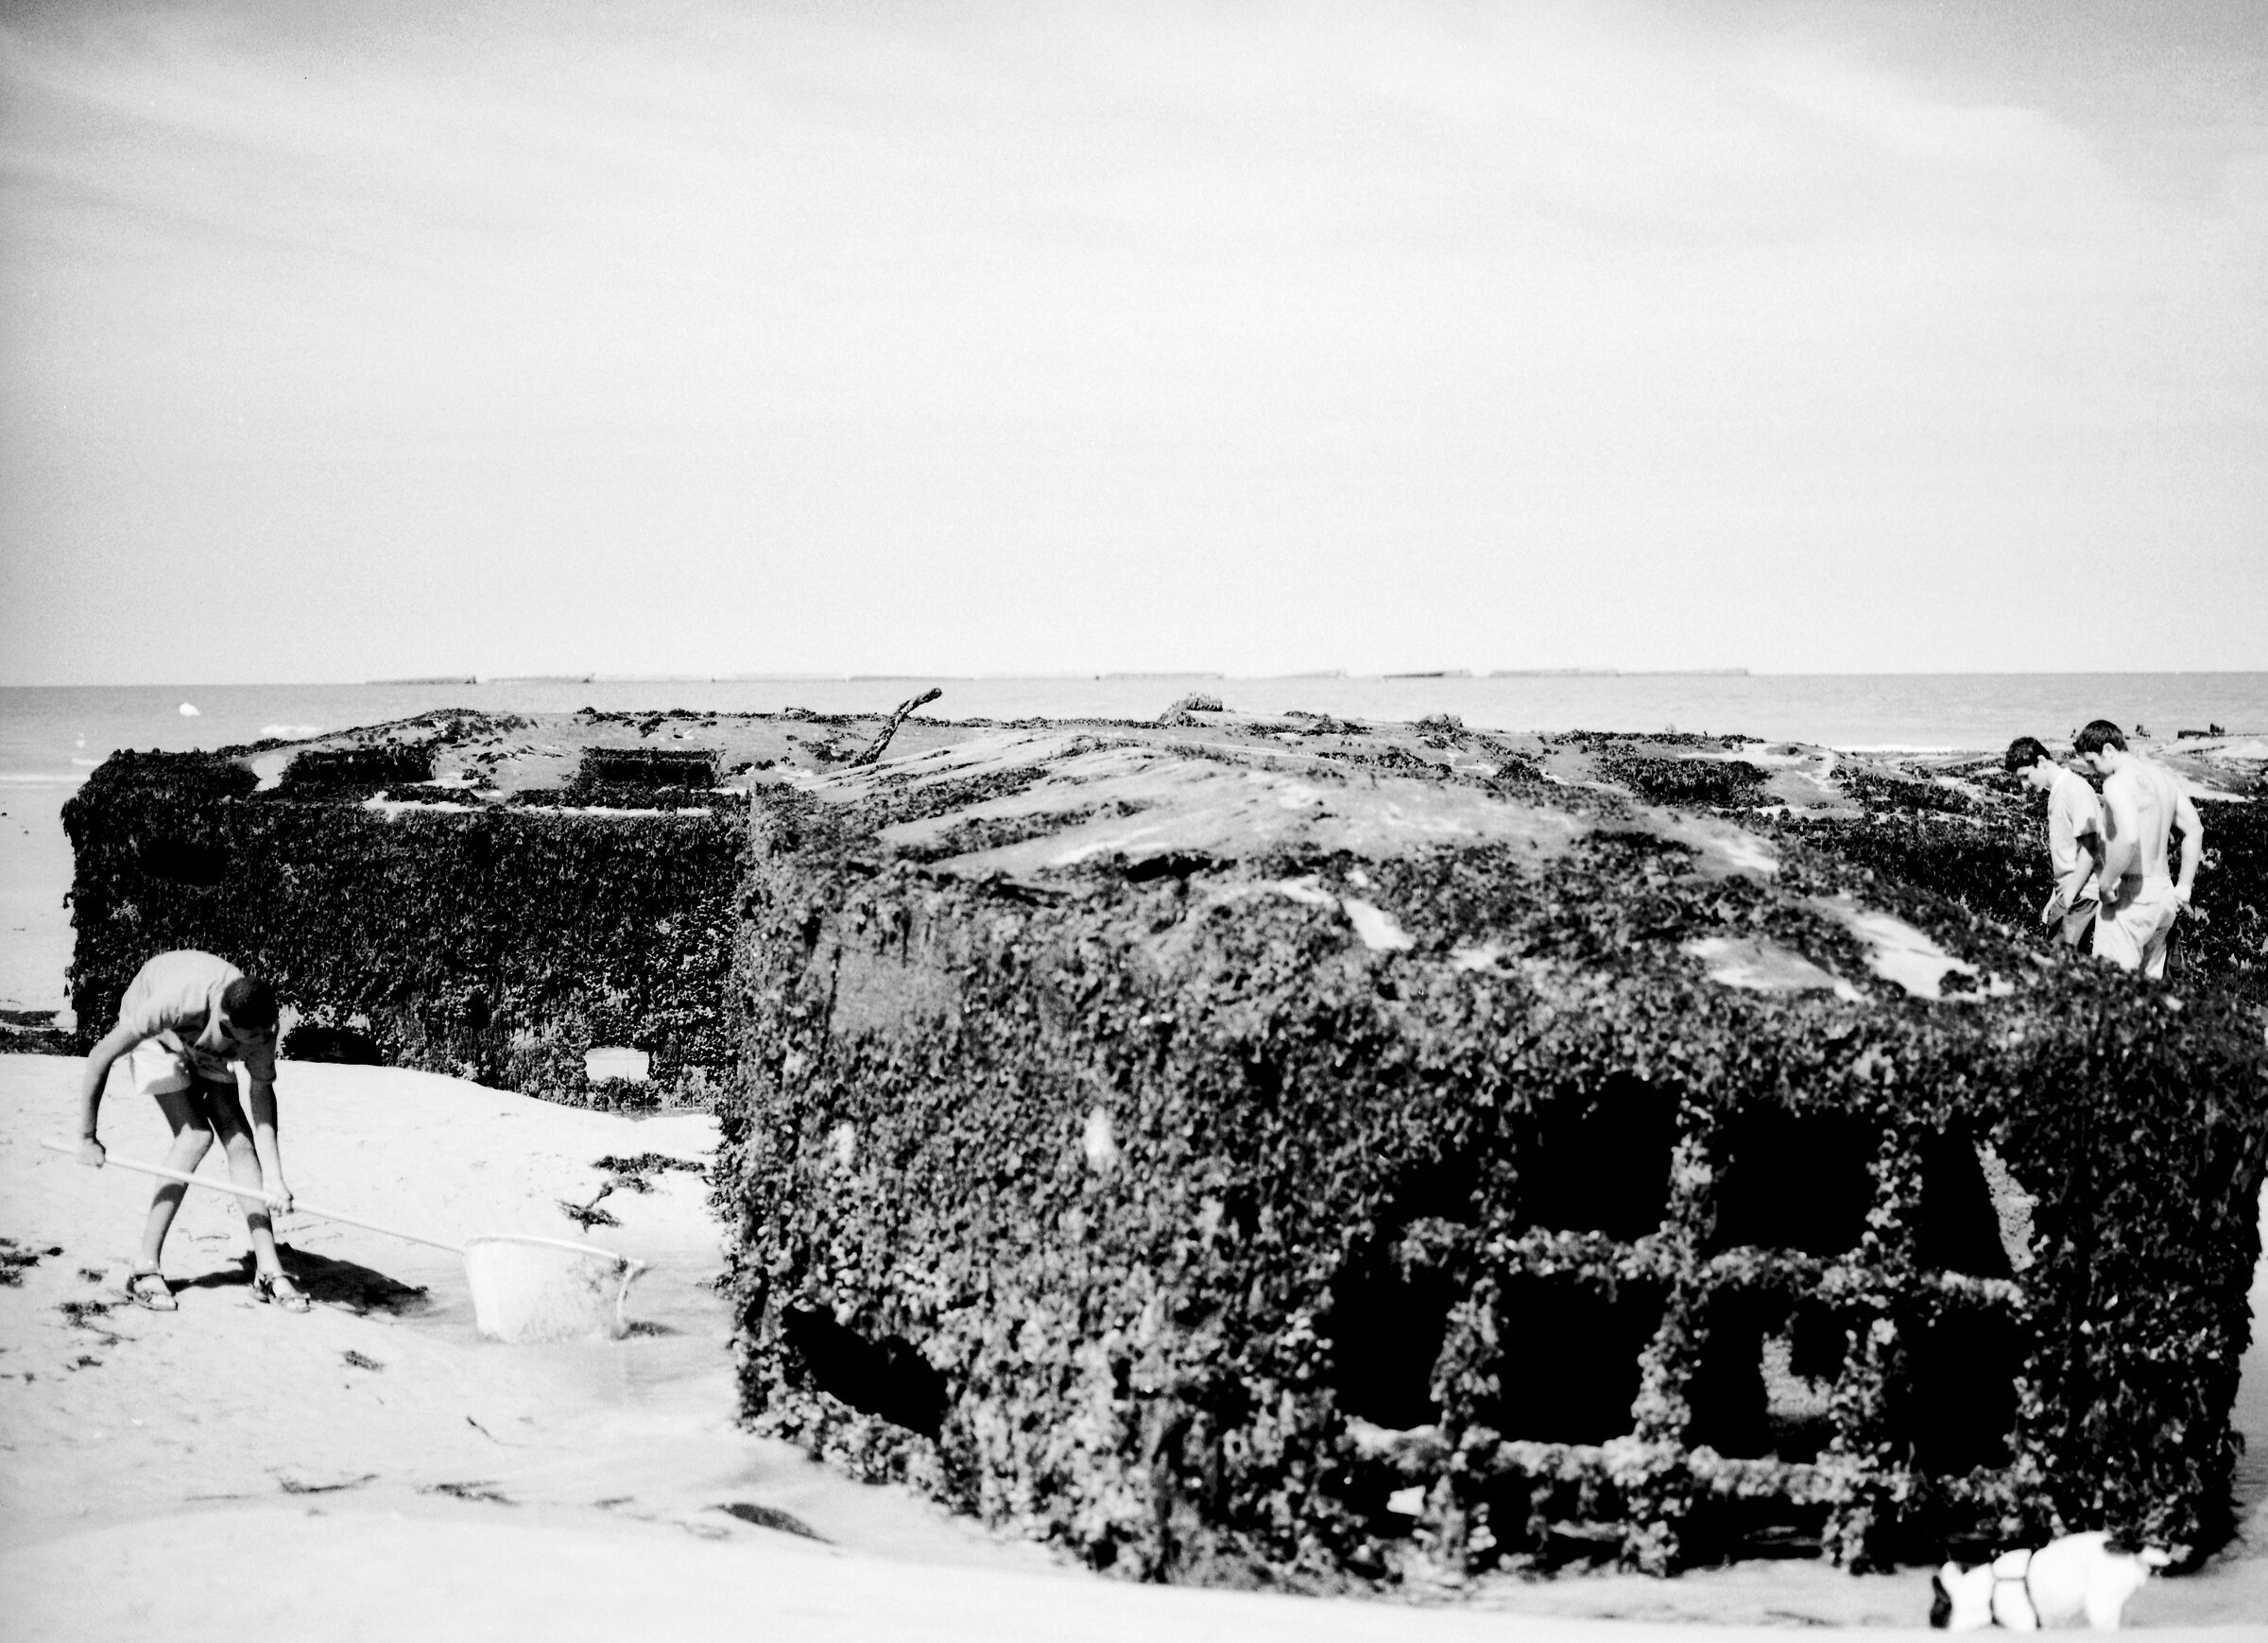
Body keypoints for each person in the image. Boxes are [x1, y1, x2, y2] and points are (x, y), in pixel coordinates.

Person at [75, 950, 306, 1311]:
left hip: (208, 1039)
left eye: (266, 1034)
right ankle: (144, 1268)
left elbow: (260, 1093)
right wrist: (88, 1137)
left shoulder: (259, 1026)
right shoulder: (175, 1002)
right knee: (196, 1135)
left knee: (240, 1140)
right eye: (253, 1037)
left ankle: (268, 1270)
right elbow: (101, 1054)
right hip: (160, 1036)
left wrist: (275, 1179)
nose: (261, 1044)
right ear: (227, 1023)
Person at [2073, 721, 2204, 978]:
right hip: (2164, 896)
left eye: (2092, 762)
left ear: (2108, 750)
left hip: (2131, 897)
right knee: (2147, 997)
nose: (2091, 770)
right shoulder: (2162, 779)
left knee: (2112, 987)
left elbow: (2129, 836)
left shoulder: (2117, 783)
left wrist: (2107, 883)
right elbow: (2195, 830)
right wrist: (2184, 887)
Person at [2004, 737, 2104, 949]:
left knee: (2058, 964)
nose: (2024, 786)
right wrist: (2054, 896)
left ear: (2041, 761)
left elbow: (2091, 848)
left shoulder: (2073, 789)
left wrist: (2067, 896)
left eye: (2025, 776)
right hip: (2072, 892)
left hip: (2083, 894)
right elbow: (2067, 853)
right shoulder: (2057, 792)